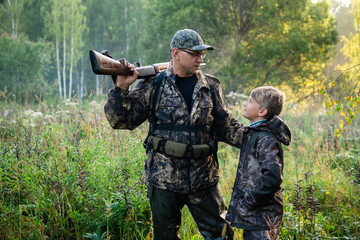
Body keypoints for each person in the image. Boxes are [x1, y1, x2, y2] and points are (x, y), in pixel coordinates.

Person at [104, 28, 245, 239]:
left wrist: (259, 136)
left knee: (223, 235)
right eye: (194, 53)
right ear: (176, 53)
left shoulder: (211, 85)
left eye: (202, 54)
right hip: (164, 180)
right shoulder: (154, 84)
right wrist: (121, 89)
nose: (200, 58)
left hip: (203, 179)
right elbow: (121, 121)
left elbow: (226, 126)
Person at [225, 86, 291, 240]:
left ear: (262, 112)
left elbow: (273, 177)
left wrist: (249, 201)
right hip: (255, 215)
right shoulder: (254, 132)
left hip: (263, 215)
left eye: (250, 101)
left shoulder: (266, 138)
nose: (245, 104)